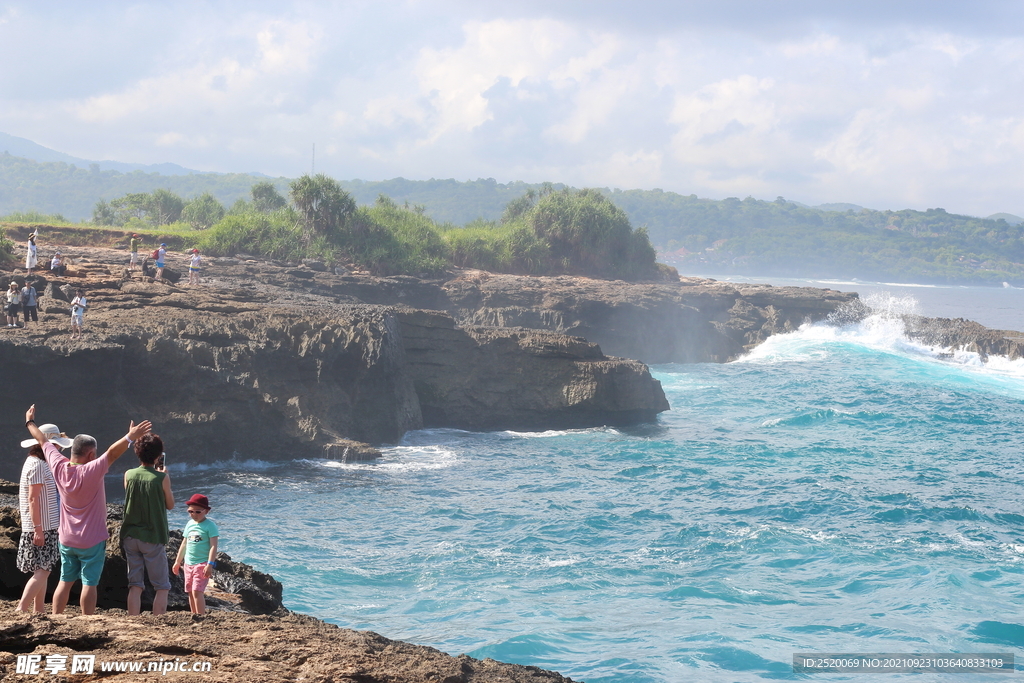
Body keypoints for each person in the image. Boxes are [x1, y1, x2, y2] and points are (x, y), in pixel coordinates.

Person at [23, 404, 152, 615]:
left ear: (72, 450)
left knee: (65, 580)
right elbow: (112, 453)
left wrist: (30, 421)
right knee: (89, 583)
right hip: (92, 540)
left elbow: (42, 440)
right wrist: (130, 437)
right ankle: (87, 620)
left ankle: (56, 617)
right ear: (91, 454)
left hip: (66, 538)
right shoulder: (93, 470)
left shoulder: (58, 465)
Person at [16, 425, 71, 612]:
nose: (59, 449)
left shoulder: (34, 462)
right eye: (57, 445)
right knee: (44, 570)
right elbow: (33, 498)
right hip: (42, 526)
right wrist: (38, 529)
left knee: (42, 569)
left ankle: (38, 609)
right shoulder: (38, 465)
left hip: (42, 525)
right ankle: (22, 608)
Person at [122, 433, 174, 616]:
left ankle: (133, 620)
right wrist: (164, 476)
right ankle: (158, 622)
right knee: (162, 586)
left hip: (130, 535)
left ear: (137, 452)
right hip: (152, 536)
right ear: (158, 455)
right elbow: (170, 505)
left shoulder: (128, 474)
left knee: (135, 585)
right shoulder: (161, 478)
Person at [173, 494, 219, 615]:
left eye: (198, 511)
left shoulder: (210, 525)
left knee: (197, 591)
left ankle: (201, 616)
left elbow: (213, 546)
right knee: (190, 591)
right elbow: (184, 544)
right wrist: (177, 562)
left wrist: (210, 564)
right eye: (190, 511)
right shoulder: (189, 524)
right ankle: (194, 615)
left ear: (206, 511)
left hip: (202, 564)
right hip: (188, 564)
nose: (194, 514)